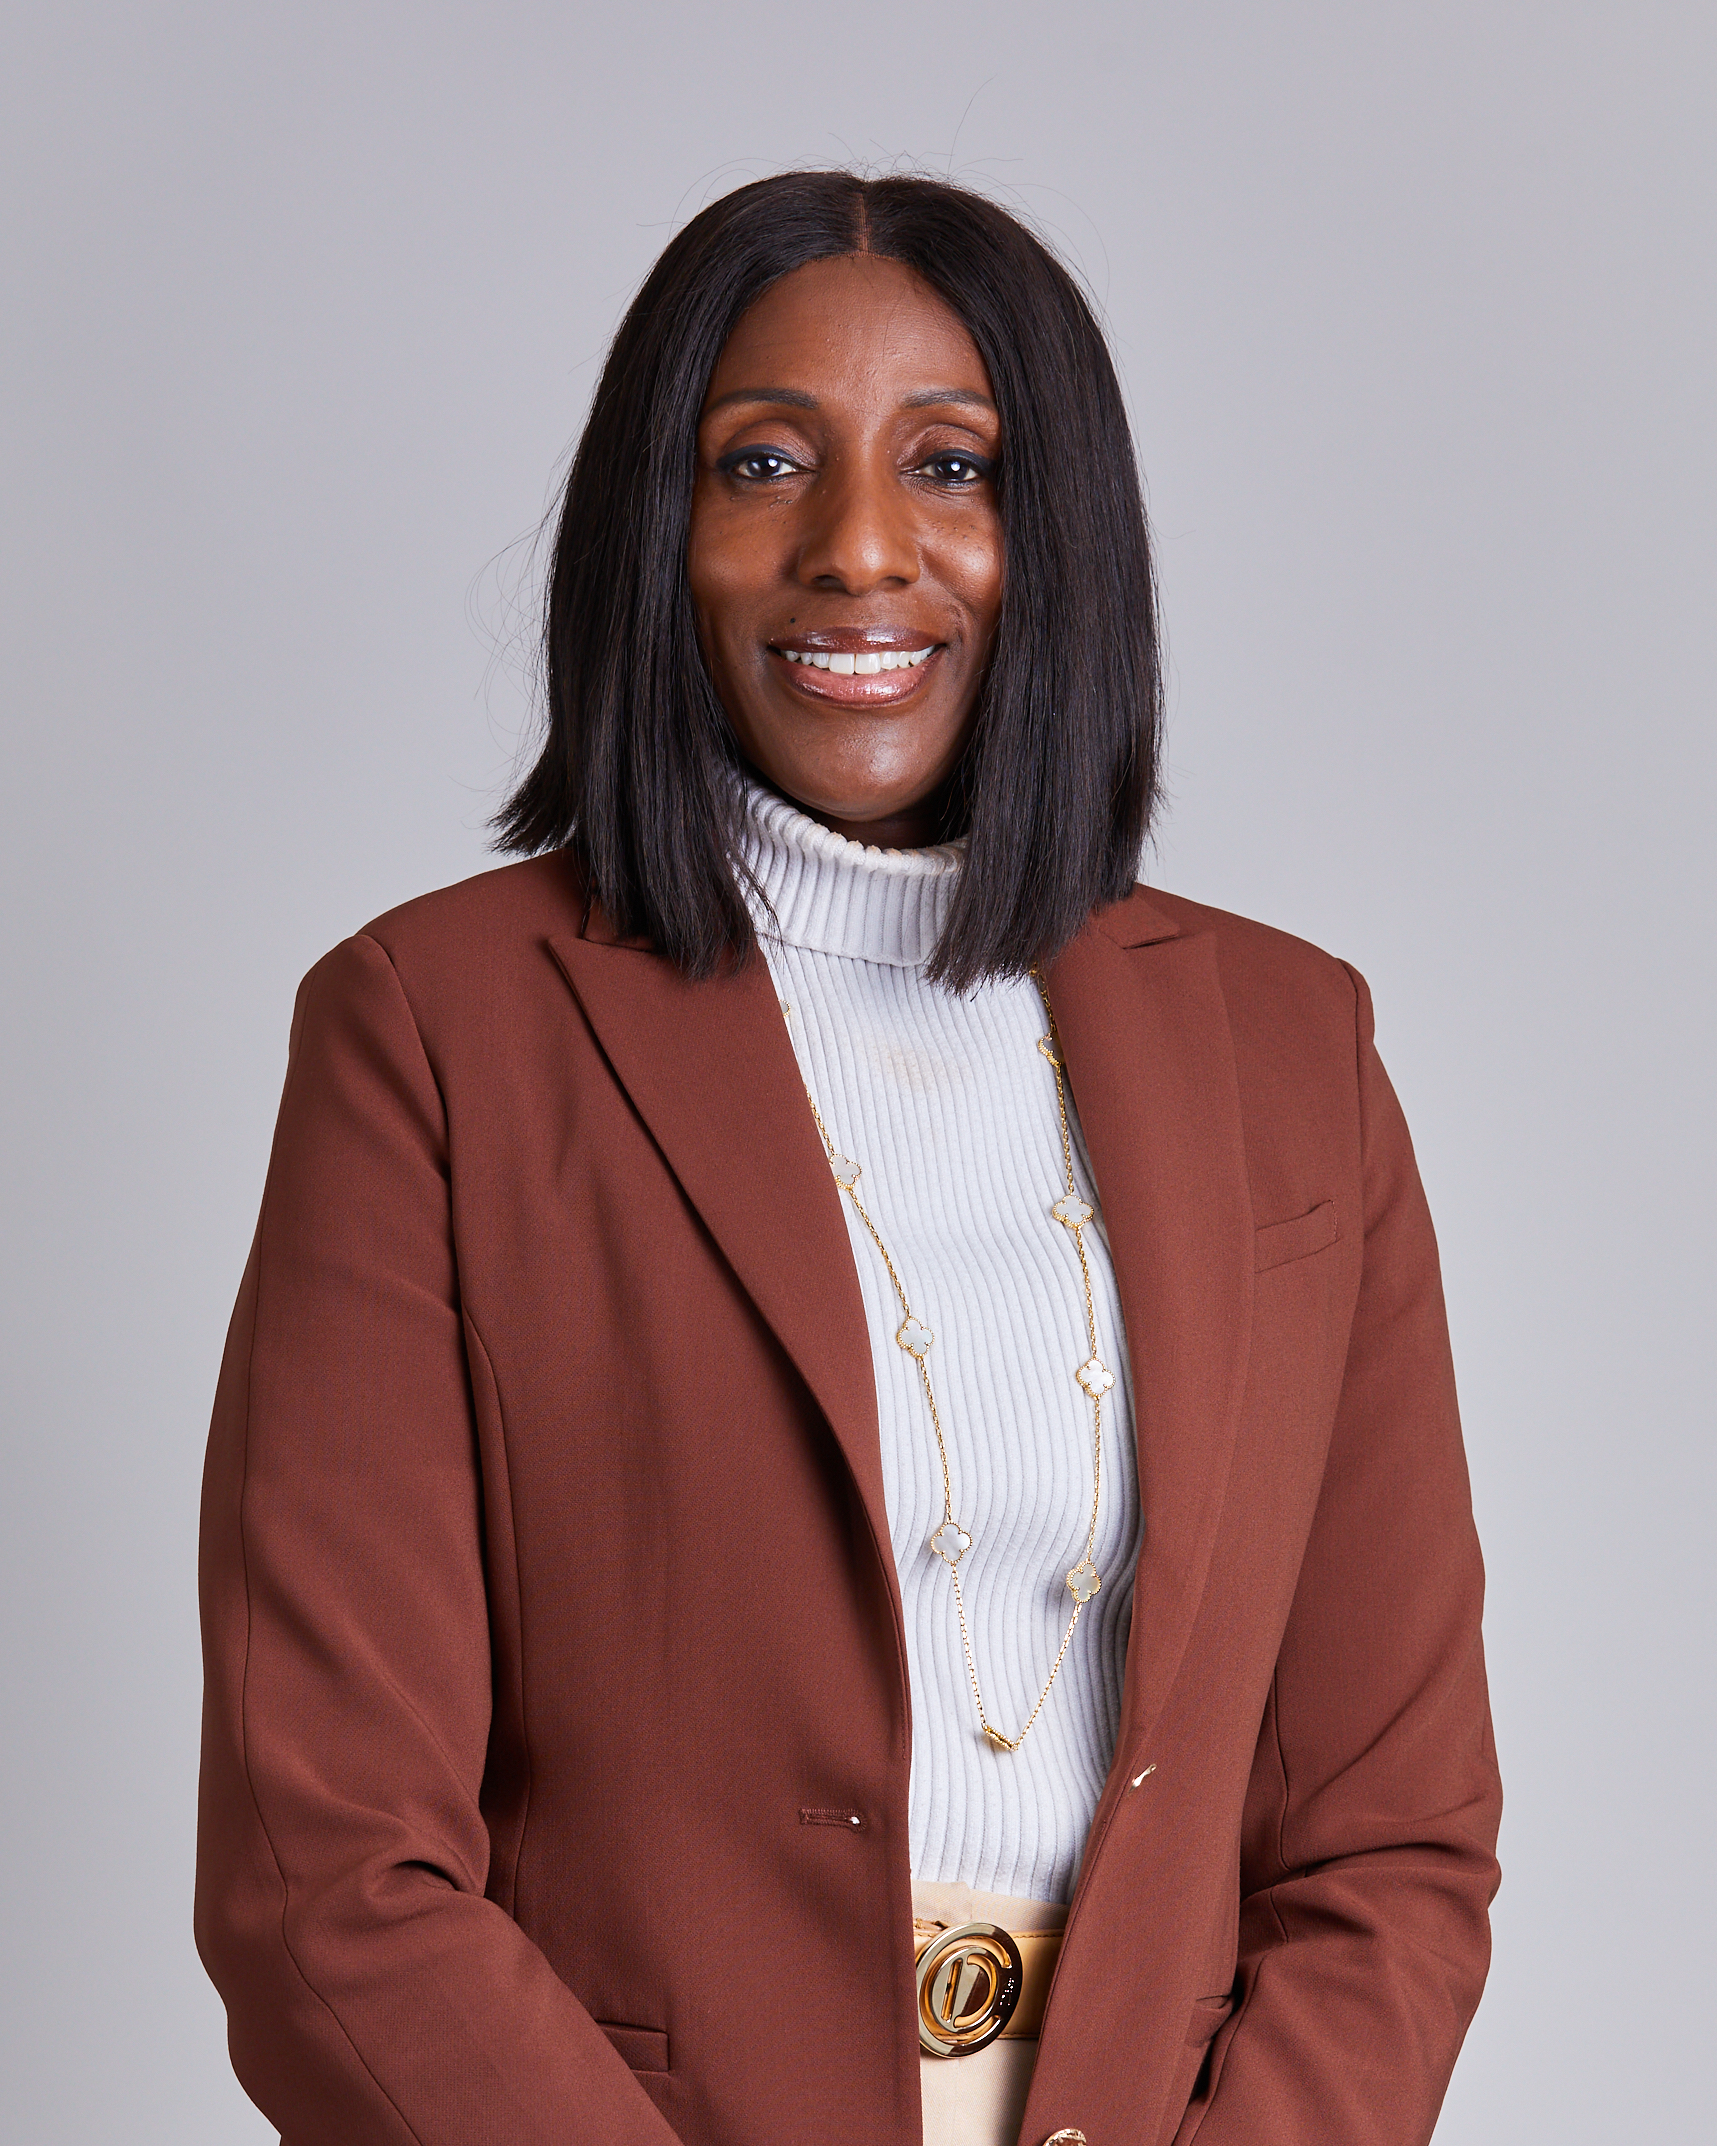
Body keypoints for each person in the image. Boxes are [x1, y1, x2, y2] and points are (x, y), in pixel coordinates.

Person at [195, 170, 1501, 2146]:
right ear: (658, 531)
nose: (860, 546)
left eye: (952, 466)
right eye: (763, 462)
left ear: (1055, 536)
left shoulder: (1291, 1051)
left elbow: (1389, 1832)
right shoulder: (433, 1032)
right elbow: (328, 1864)